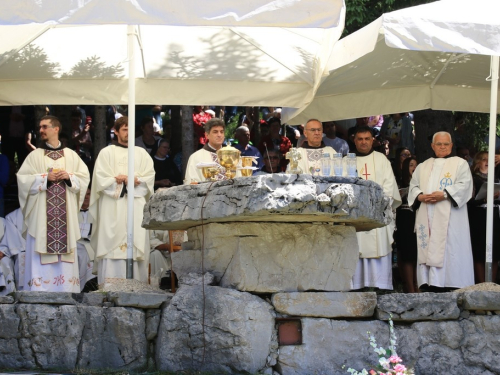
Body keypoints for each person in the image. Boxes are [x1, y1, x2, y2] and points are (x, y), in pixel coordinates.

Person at [17, 115, 90, 292]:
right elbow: (22, 180)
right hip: (42, 219)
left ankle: (66, 291)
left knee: (65, 260)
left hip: (65, 220)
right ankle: (39, 291)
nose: (40, 130)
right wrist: (44, 178)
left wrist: (69, 177)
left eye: (44, 127)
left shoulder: (72, 156)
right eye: (40, 127)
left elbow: (84, 178)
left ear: (56, 129)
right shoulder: (34, 156)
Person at [90, 116, 155, 286]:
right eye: (124, 129)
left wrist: (134, 180)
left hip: (135, 206)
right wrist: (119, 181)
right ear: (116, 131)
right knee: (112, 247)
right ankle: (110, 289)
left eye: (130, 130)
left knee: (135, 247)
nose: (128, 133)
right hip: (113, 207)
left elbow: (149, 178)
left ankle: (137, 288)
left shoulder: (141, 153)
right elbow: (100, 180)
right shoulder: (106, 153)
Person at [408, 131, 474, 289]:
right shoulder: (423, 166)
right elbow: (413, 187)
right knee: (429, 244)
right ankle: (430, 284)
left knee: (451, 248)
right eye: (439, 144)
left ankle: (453, 283)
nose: (443, 147)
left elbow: (465, 185)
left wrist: (445, 194)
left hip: (452, 218)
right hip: (427, 216)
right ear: (432, 146)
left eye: (446, 144)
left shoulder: (460, 164)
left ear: (451, 146)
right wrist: (419, 196)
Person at [346, 125, 401, 290]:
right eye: (360, 139)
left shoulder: (381, 159)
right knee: (356, 249)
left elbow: (389, 187)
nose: (363, 142)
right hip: (355, 216)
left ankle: (379, 288)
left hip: (377, 214)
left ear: (372, 140)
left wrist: (376, 205)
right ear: (354, 141)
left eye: (367, 139)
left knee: (379, 249)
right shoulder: (346, 160)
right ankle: (357, 289)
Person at [467, 151, 500, 284]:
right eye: (483, 159)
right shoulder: (473, 178)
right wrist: (486, 198)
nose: (487, 162)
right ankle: (481, 283)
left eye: (489, 159)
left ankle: (492, 283)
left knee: (495, 251)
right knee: (480, 251)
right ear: (477, 162)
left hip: (495, 214)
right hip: (479, 216)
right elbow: (470, 200)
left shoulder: (496, 177)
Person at [394, 156, 419, 293]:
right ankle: (409, 287)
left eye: (416, 165)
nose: (414, 168)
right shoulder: (399, 182)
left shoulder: (423, 182)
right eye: (411, 165)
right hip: (404, 219)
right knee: (407, 254)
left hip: (418, 218)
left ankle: (418, 285)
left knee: (417, 254)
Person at [184, 118, 235, 183]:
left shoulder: (233, 156)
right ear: (207, 135)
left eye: (221, 132)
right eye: (215, 132)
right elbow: (191, 183)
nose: (219, 135)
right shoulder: (195, 157)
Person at [77, 188, 98, 292]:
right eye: (83, 194)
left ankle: (88, 287)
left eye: (89, 194)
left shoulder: (96, 212)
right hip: (76, 243)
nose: (86, 197)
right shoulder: (73, 211)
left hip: (91, 243)